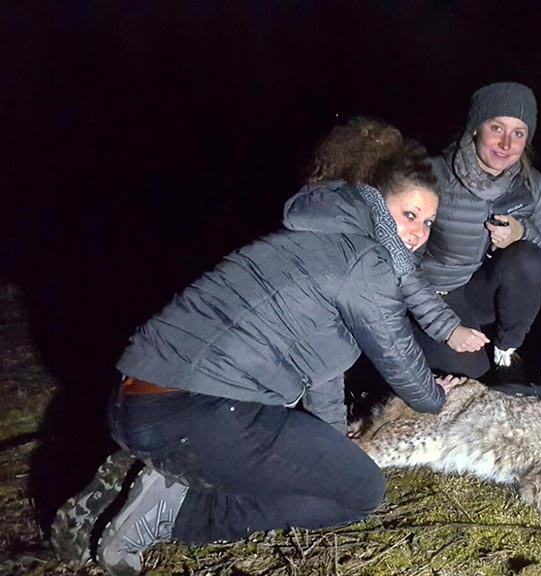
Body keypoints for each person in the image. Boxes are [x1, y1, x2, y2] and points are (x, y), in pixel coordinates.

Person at [51, 118, 462, 576]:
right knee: (361, 492)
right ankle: (172, 510)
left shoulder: (313, 238)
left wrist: (332, 442)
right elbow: (401, 362)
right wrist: (440, 395)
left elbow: (322, 368)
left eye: (428, 222)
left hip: (135, 405)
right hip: (199, 409)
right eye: (409, 215)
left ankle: (162, 471)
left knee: (335, 469)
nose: (420, 233)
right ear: (372, 199)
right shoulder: (365, 260)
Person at [419, 81, 541, 378]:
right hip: (431, 294)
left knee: (528, 258)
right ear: (475, 128)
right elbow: (395, 264)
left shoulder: (532, 184)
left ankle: (507, 348)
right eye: (496, 128)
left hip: (482, 292)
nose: (506, 144)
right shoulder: (430, 176)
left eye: (518, 134)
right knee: (471, 375)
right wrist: (446, 326)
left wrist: (522, 235)